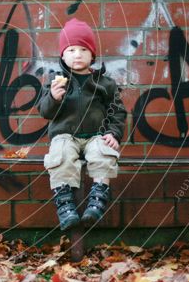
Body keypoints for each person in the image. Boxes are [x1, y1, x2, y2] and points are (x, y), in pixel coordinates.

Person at [37, 18, 127, 230]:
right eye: (71, 50)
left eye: (83, 50)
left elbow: (118, 111)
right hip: (65, 136)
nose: (77, 55)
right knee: (60, 157)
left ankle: (97, 199)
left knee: (104, 154)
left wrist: (113, 134)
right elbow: (45, 112)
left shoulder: (104, 83)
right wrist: (53, 98)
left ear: (92, 55)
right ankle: (65, 205)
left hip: (96, 135)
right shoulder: (55, 82)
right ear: (63, 55)